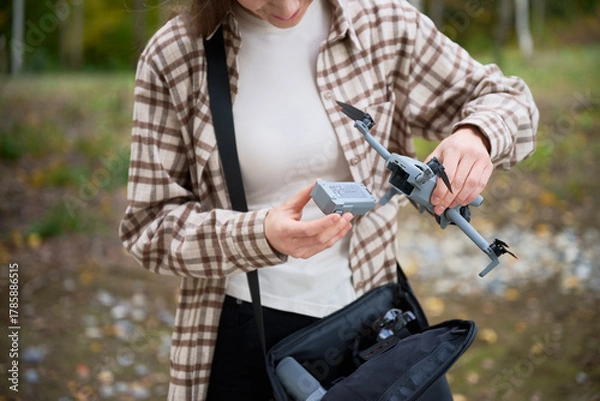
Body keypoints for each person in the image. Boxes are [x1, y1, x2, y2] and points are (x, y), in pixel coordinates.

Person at [119, 0, 538, 399]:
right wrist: (260, 235)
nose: (285, 9)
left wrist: (477, 134)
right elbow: (149, 226)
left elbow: (509, 99)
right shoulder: (175, 56)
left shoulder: (383, 22)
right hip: (245, 327)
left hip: (374, 319)